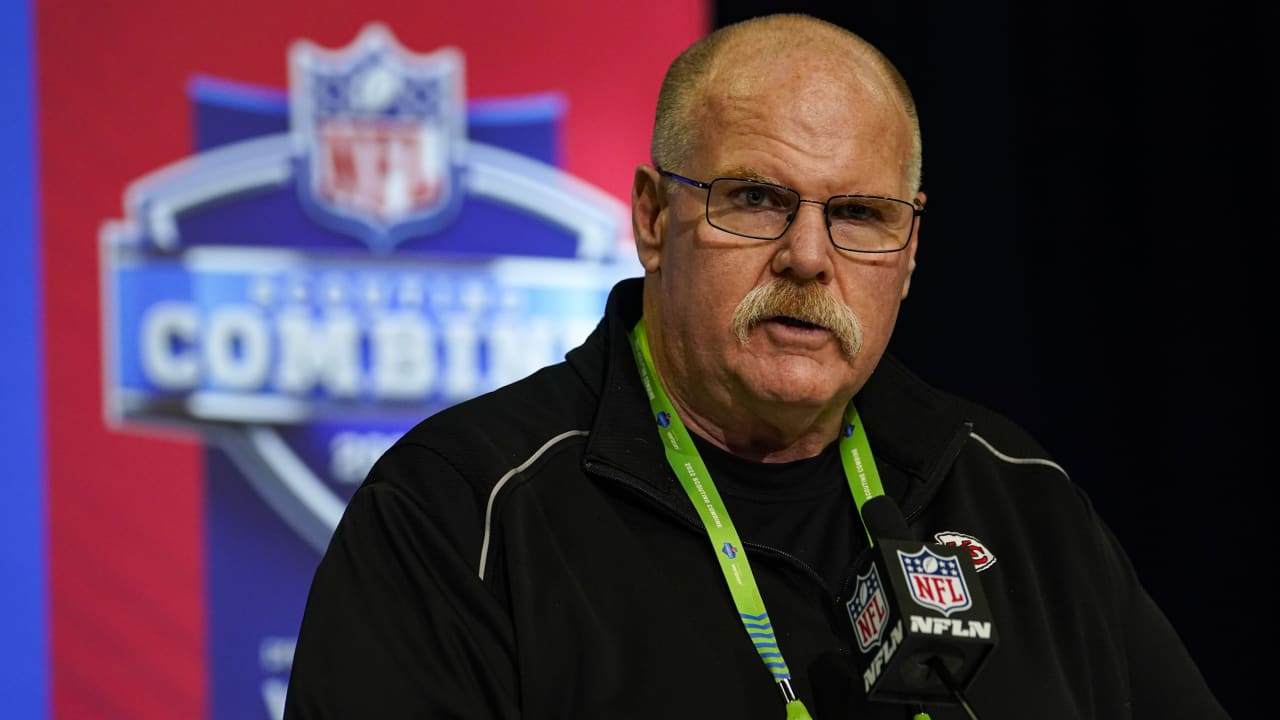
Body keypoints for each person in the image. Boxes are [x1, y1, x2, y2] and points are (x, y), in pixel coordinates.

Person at [283, 13, 1227, 720]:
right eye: (758, 198)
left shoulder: (1019, 499)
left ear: (910, 248)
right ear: (654, 218)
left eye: (860, 214)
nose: (809, 257)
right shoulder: (459, 513)